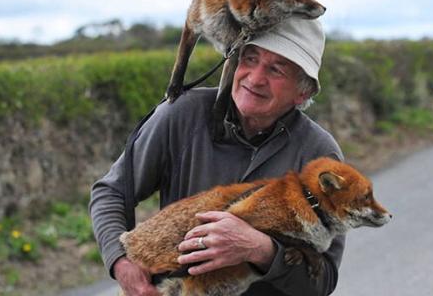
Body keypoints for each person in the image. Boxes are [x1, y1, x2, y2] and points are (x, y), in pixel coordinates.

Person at [89, 17, 345, 296]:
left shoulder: (319, 156)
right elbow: (111, 192)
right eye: (249, 58)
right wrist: (122, 264)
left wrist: (260, 250)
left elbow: (323, 279)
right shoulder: (182, 115)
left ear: (302, 91)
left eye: (276, 69)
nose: (255, 78)